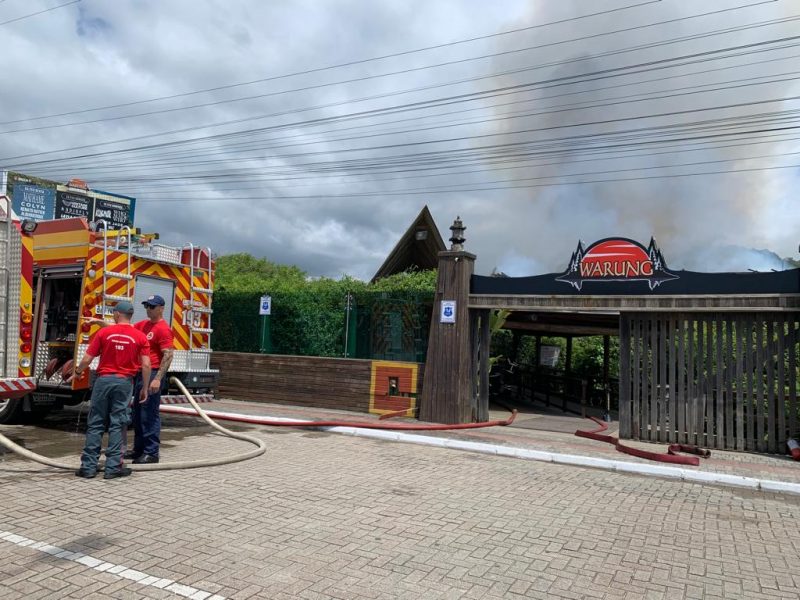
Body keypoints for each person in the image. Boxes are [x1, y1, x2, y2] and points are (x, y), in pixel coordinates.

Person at [74, 301, 151, 480]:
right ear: (130, 315)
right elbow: (146, 364)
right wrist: (145, 388)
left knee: (96, 422)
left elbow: (87, 359)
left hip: (103, 381)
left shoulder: (104, 333)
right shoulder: (140, 337)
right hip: (125, 383)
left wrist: (77, 372)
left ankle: (88, 467)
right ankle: (113, 467)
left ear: (117, 314)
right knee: (118, 423)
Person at [127, 294, 174, 464]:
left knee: (149, 414)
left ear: (161, 308)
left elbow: (168, 355)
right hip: (141, 373)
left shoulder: (163, 329)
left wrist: (158, 379)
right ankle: (139, 449)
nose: (148, 309)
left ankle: (151, 452)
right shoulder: (144, 325)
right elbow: (125, 327)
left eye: (152, 306)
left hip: (153, 373)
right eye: (147, 306)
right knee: (138, 414)